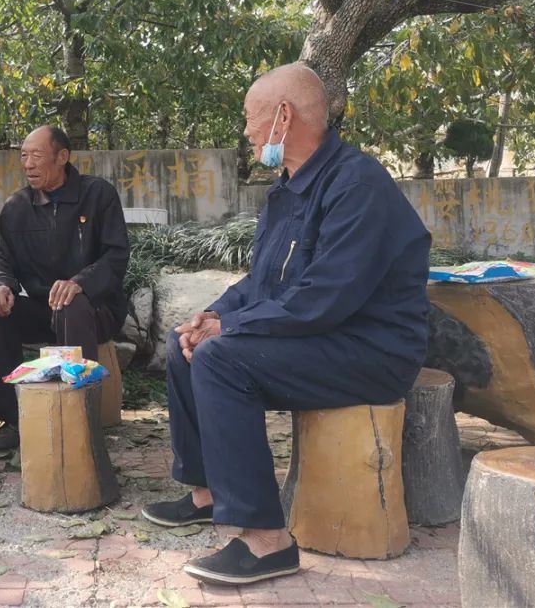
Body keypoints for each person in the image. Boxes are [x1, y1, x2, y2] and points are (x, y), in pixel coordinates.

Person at [142, 63, 430, 586]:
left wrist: (229, 331)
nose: (246, 131)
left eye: (250, 118)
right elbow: (263, 281)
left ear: (283, 116)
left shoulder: (357, 184)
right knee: (185, 342)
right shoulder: (288, 187)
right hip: (319, 337)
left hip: (370, 350)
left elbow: (325, 297)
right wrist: (214, 315)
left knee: (220, 358)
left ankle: (267, 542)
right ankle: (208, 494)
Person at [0, 125, 130, 451]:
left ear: (62, 157)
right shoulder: (16, 208)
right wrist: (1, 286)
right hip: (43, 309)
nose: (28, 164)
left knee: (70, 304)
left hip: (96, 308)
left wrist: (80, 283)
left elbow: (117, 255)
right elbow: (1, 258)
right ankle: (14, 420)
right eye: (24, 156)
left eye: (36, 155)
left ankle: (80, 421)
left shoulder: (98, 195)